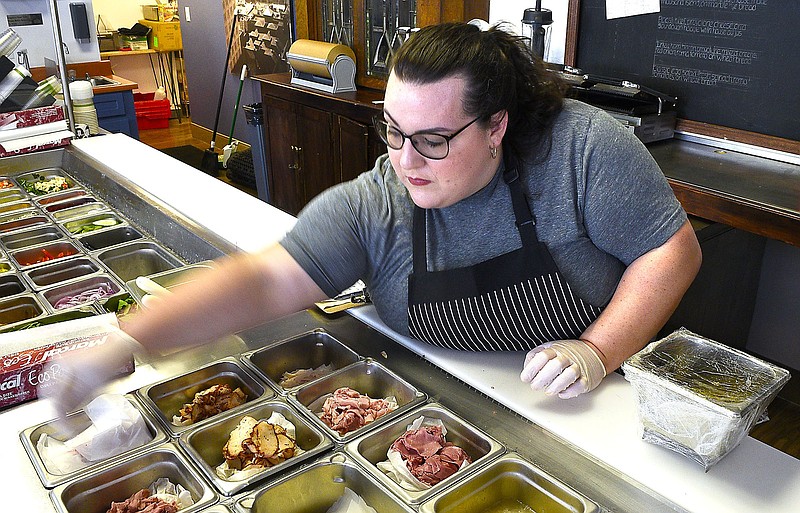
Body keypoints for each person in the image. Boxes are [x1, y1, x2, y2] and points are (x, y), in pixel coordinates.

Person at [44, 22, 701, 413]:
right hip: (450, 401)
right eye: (393, 131)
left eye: (434, 140)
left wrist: (596, 349)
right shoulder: (380, 201)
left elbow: (672, 249)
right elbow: (266, 281)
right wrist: (130, 339)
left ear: (498, 124)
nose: (407, 162)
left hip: (584, 407)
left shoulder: (582, 149)